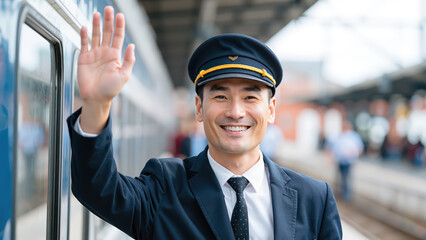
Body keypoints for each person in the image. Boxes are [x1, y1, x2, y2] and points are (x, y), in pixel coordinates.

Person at [67, 6, 342, 239]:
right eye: (221, 96)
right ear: (199, 108)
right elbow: (98, 189)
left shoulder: (314, 199)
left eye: (250, 97)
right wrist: (98, 104)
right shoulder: (165, 186)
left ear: (271, 109)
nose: (235, 112)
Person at [326, 121, 364, 202]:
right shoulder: (340, 136)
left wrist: (355, 155)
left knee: (347, 178)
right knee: (339, 178)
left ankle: (347, 195)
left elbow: (360, 148)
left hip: (349, 161)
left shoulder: (354, 136)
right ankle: (339, 194)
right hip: (340, 160)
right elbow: (332, 147)